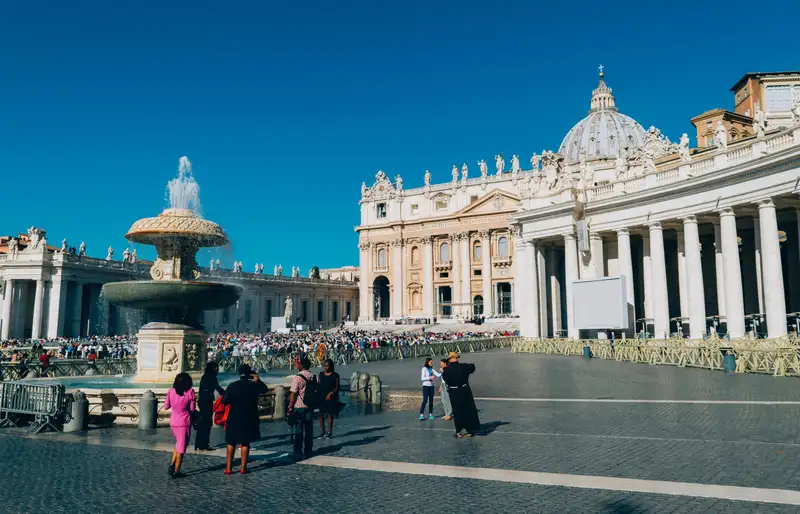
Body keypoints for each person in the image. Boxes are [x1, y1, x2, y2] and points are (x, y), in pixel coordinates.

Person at [222, 364, 269, 475]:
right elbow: (265, 390)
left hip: (234, 417)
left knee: (231, 442)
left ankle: (228, 468)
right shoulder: (253, 386)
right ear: (250, 374)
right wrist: (258, 380)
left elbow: (225, 401)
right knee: (245, 442)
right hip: (249, 416)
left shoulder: (232, 386)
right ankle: (243, 467)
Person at [163, 372, 196, 478]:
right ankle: (176, 471)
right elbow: (192, 409)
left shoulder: (171, 391)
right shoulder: (190, 393)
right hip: (184, 422)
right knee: (182, 447)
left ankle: (172, 465)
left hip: (174, 422)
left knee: (178, 444)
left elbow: (166, 406)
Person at [441, 351, 480, 438]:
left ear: (450, 359)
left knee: (457, 411)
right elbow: (472, 367)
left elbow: (446, 380)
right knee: (467, 410)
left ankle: (458, 432)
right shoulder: (464, 366)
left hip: (454, 392)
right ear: (457, 358)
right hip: (465, 390)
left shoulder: (446, 370)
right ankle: (470, 430)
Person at [289, 356, 315, 460]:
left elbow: (293, 393)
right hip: (310, 406)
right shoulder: (314, 376)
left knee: (298, 430)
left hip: (299, 406)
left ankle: (297, 452)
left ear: (302, 365)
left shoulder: (298, 377)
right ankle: (308, 451)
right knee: (309, 430)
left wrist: (290, 406)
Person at [195, 361, 225, 451]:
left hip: (202, 400)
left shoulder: (204, 376)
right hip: (207, 400)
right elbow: (218, 388)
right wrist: (228, 393)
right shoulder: (212, 377)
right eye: (216, 368)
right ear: (213, 369)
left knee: (202, 422)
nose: (218, 370)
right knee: (207, 423)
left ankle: (198, 443)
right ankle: (204, 444)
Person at [317, 358, 340, 439]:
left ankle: (329, 432)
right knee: (321, 415)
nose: (325, 367)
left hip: (330, 397)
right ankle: (322, 431)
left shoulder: (335, 375)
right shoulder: (321, 374)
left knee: (329, 415)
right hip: (321, 396)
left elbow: (337, 387)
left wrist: (331, 393)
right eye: (324, 366)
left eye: (327, 366)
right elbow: (318, 384)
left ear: (330, 366)